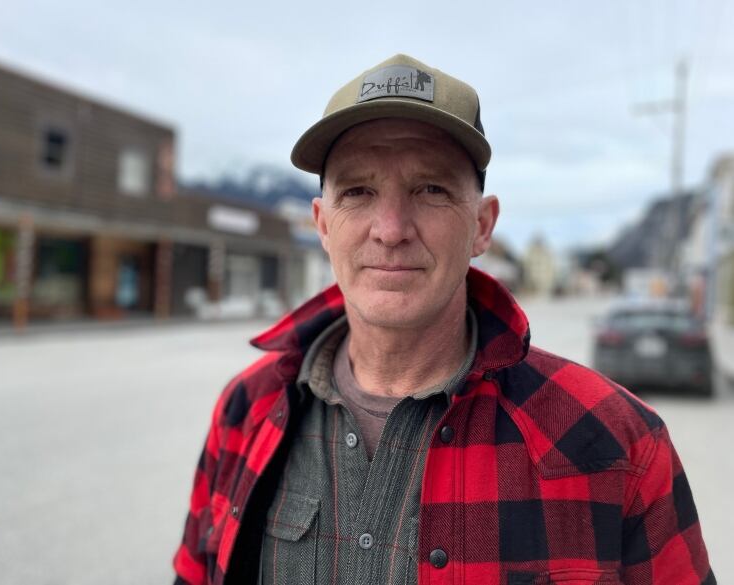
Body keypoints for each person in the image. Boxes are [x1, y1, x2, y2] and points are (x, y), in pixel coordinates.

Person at [172, 54, 714, 585]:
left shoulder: (616, 443)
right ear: (323, 225)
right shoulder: (246, 411)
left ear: (482, 226)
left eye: (430, 189)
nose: (389, 228)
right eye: (357, 192)